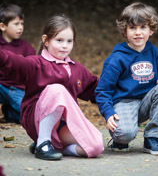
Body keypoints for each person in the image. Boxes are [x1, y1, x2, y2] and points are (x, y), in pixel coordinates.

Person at [0, 15, 104, 160]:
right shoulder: (36, 64)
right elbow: (13, 62)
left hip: (62, 125)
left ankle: (53, 146)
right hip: (36, 120)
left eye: (69, 41)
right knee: (57, 89)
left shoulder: (77, 69)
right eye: (59, 40)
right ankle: (43, 143)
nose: (65, 46)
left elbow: (98, 89)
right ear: (46, 40)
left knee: (95, 147)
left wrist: (125, 93)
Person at [95, 2, 158, 156]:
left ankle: (152, 138)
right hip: (124, 102)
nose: (138, 32)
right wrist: (108, 112)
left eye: (143, 27)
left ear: (151, 30)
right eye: (132, 28)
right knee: (124, 134)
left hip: (146, 101)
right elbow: (103, 90)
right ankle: (119, 140)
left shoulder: (155, 53)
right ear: (125, 31)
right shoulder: (117, 58)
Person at [0, 4, 36, 123]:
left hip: (17, 88)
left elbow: (34, 68)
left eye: (22, 23)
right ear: (3, 26)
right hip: (1, 85)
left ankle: (10, 112)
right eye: (16, 24)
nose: (20, 27)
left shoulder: (25, 47)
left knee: (28, 115)